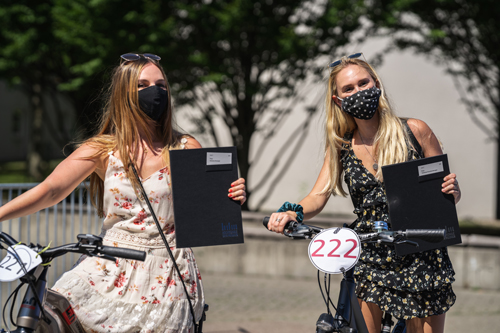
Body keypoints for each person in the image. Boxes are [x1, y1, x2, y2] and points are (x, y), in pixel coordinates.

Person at [0, 53, 247, 333]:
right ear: (124, 94)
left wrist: (231, 197)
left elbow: (208, 215)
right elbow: (51, 189)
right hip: (107, 264)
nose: (155, 92)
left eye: (161, 85)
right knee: (51, 316)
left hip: (166, 271)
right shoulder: (103, 149)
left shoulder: (185, 147)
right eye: (142, 85)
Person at [267, 54, 460, 333]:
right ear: (338, 100)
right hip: (371, 251)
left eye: (363, 83)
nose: (358, 91)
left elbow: (445, 195)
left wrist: (453, 191)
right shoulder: (341, 146)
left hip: (420, 251)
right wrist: (290, 212)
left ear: (376, 84)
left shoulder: (415, 131)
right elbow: (318, 196)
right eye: (348, 89)